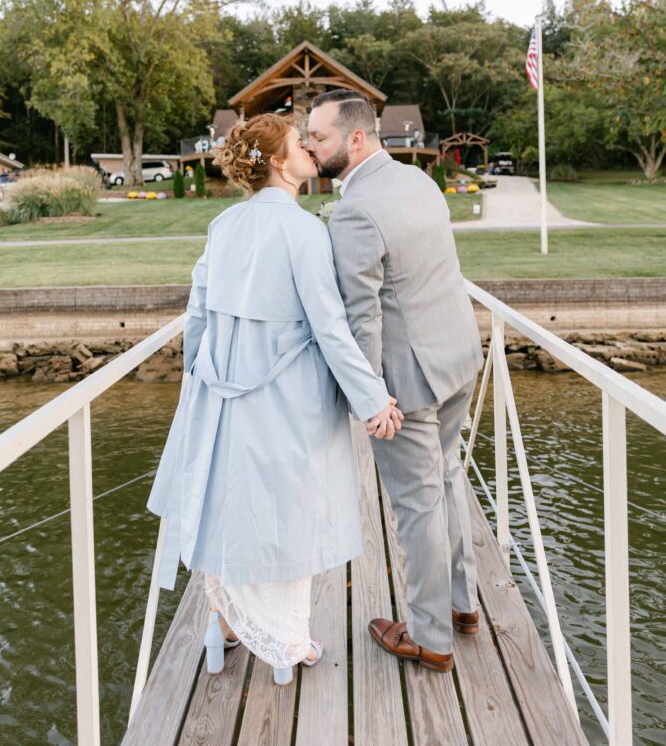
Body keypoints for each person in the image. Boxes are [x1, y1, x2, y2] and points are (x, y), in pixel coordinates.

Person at [147, 112, 400, 687]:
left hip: (222, 393)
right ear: (279, 164)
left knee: (230, 506)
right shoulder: (305, 230)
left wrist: (198, 379)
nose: (311, 150)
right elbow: (331, 327)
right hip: (289, 395)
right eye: (299, 145)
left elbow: (199, 314)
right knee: (288, 514)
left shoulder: (223, 225)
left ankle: (225, 630)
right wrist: (373, 402)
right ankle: (286, 646)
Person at [307, 89, 484, 673]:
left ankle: (431, 636)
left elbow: (363, 316)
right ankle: (462, 606)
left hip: (411, 380)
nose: (310, 146)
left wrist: (370, 398)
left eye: (319, 136)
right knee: (447, 476)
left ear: (356, 139)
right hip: (459, 356)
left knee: (417, 503)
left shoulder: (356, 209)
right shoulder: (418, 181)